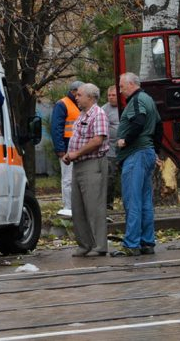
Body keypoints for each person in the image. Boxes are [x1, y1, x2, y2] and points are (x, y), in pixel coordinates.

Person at [110, 72, 160, 257]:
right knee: (145, 200)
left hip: (136, 155)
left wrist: (125, 140)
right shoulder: (149, 99)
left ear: (131, 84)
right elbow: (159, 126)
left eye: (122, 87)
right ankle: (147, 242)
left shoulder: (137, 101)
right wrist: (156, 151)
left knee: (132, 201)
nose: (120, 91)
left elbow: (138, 122)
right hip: (146, 153)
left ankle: (131, 244)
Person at [62, 82, 110, 256]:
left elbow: (98, 140)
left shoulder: (98, 114)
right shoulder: (82, 115)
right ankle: (84, 245)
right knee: (78, 207)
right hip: (78, 164)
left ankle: (99, 246)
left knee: (94, 206)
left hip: (92, 164)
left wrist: (77, 153)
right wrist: (70, 155)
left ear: (90, 97)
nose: (76, 97)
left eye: (79, 95)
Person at [50, 80, 83, 217]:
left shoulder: (79, 105)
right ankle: (68, 207)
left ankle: (76, 206)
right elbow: (56, 128)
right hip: (67, 146)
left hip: (79, 147)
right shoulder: (62, 104)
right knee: (68, 178)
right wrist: (60, 149)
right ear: (74, 91)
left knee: (76, 178)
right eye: (80, 92)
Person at [102, 85, 122, 209]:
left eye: (113, 95)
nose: (111, 97)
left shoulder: (124, 107)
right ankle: (108, 204)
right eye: (109, 95)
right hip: (110, 151)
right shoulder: (104, 109)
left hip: (125, 150)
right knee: (110, 179)